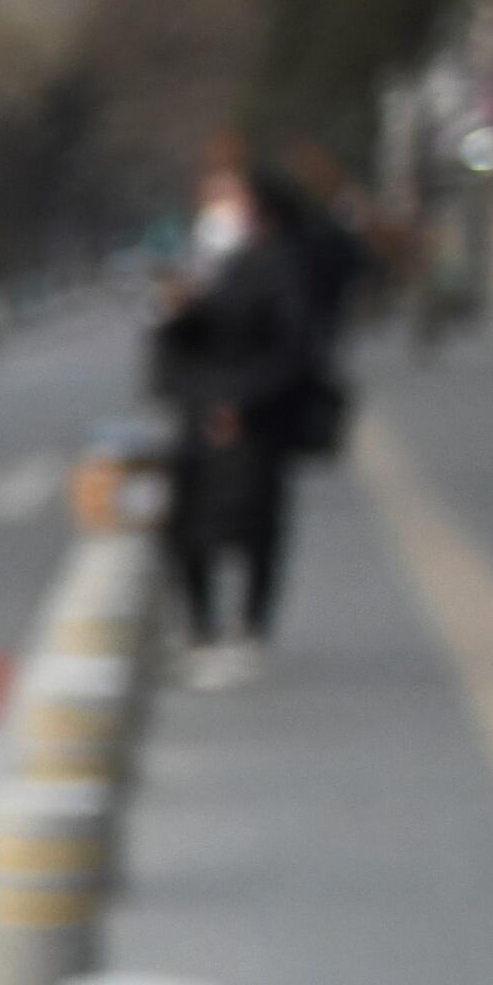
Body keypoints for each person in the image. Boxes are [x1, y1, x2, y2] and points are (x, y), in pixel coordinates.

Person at [151, 147, 336, 685]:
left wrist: (240, 404)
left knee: (252, 528)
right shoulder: (221, 263)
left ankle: (248, 629)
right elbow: (195, 337)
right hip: (202, 415)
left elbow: (293, 350)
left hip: (252, 423)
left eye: (231, 199)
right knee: (184, 527)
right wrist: (179, 315)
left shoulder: (284, 265)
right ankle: (201, 629)